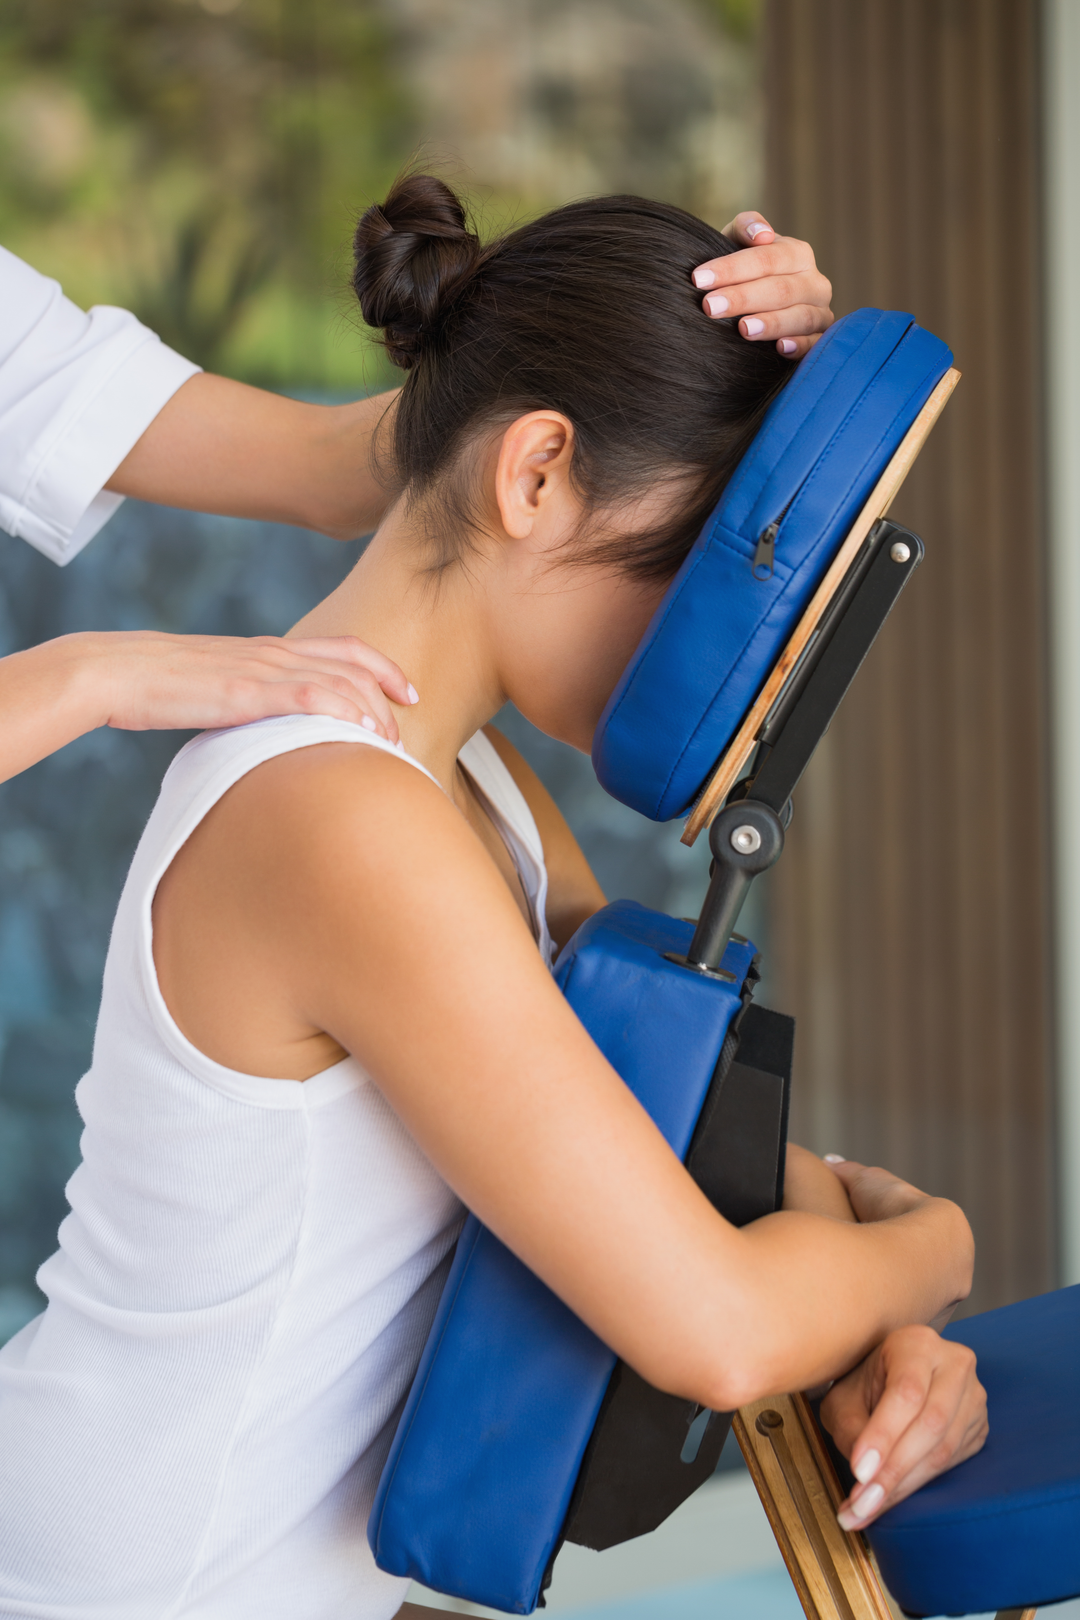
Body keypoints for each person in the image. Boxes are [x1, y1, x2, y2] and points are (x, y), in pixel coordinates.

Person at [0, 178, 982, 1620]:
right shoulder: (344, 821)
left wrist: (870, 1313)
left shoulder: (471, 782)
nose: (727, 669)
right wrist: (935, 1248)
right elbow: (714, 1324)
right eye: (704, 575)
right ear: (537, 476)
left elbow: (675, 1130)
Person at [0, 219, 832, 783]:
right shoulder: (340, 801)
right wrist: (91, 676)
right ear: (536, 478)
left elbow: (314, 465)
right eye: (692, 552)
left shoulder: (483, 786)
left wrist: (660, 363)